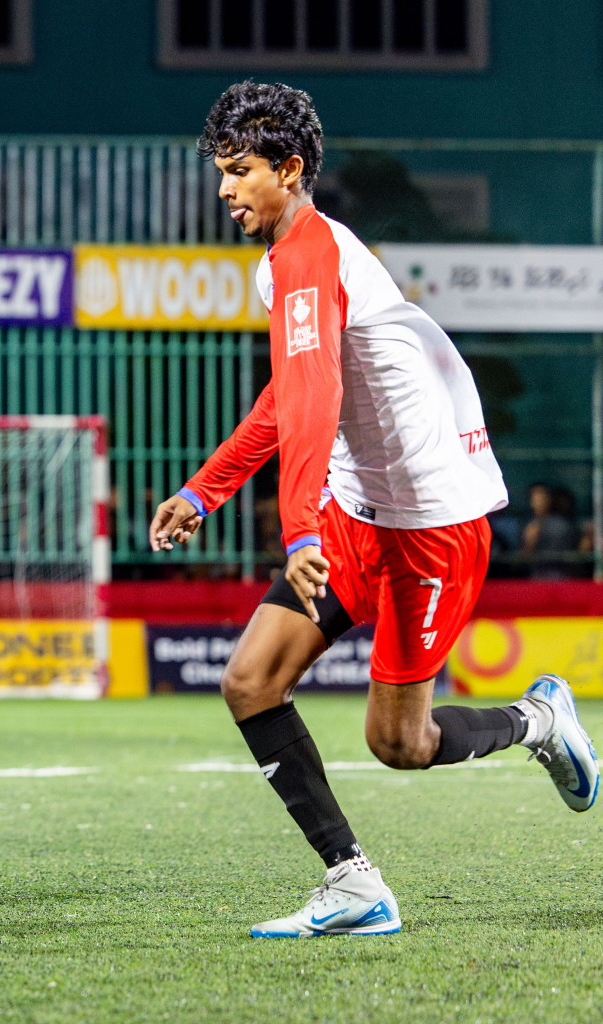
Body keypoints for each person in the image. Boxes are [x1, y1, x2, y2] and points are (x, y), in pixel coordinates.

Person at [149, 81, 597, 940]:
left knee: (401, 742)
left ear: (291, 169)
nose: (224, 190)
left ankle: (539, 719)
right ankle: (354, 884)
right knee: (250, 681)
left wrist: (299, 528)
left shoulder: (313, 257)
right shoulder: (282, 264)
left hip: (432, 523)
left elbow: (315, 397)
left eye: (240, 172)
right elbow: (289, 398)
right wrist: (205, 488)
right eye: (220, 172)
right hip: (362, 509)